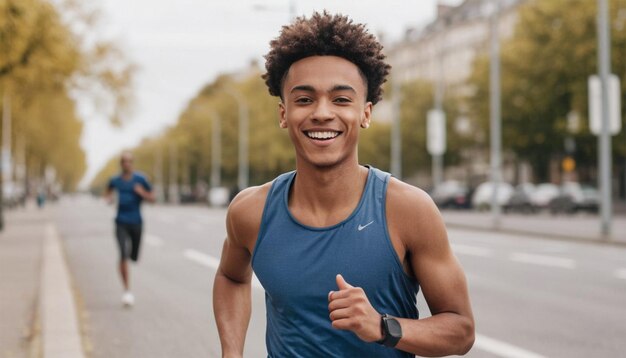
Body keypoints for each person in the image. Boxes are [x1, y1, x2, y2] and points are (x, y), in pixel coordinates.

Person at [213, 12, 474, 357]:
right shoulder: (250, 211)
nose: (322, 113)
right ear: (283, 113)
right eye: (304, 99)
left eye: (341, 99)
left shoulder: (408, 209)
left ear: (365, 113)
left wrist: (383, 327)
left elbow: (461, 329)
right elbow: (231, 278)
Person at [105, 151, 155, 307]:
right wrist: (109, 198)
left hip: (137, 222)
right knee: (123, 254)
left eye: (129, 161)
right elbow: (107, 193)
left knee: (133, 257)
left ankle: (131, 260)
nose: (127, 164)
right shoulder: (115, 180)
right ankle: (127, 291)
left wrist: (142, 193)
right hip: (120, 222)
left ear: (132, 163)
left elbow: (153, 198)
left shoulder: (141, 179)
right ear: (121, 164)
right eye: (124, 161)